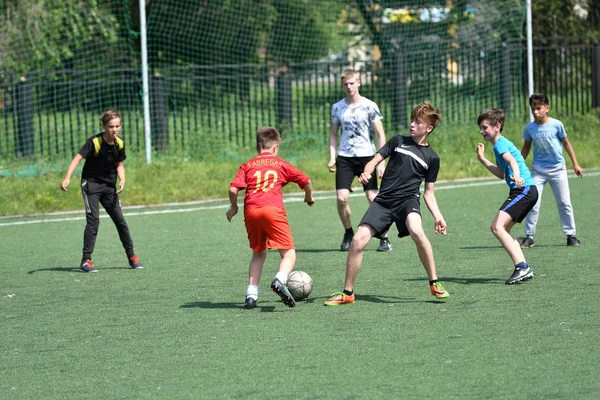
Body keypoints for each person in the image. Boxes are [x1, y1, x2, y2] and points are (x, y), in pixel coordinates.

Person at [324, 101, 450, 306]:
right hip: (383, 201)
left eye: (418, 122)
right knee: (358, 241)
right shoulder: (398, 141)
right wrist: (366, 172)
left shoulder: (432, 158)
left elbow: (429, 193)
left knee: (417, 231)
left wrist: (438, 216)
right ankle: (348, 293)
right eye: (412, 120)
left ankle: (434, 282)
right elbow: (375, 160)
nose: (412, 125)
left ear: (429, 128)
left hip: (408, 201)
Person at [227, 126, 315, 310]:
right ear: (275, 147)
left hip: (251, 211)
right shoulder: (281, 164)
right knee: (289, 253)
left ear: (258, 147)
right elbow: (306, 180)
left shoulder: (247, 165)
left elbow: (233, 189)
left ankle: (251, 295)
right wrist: (308, 197)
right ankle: (280, 279)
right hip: (273, 210)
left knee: (258, 253)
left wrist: (233, 208)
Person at [61, 109, 143, 273]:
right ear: (105, 126)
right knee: (93, 222)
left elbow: (119, 163)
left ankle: (132, 256)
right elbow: (78, 158)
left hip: (108, 187)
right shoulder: (94, 142)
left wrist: (123, 179)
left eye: (117, 126)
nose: (115, 130)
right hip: (91, 185)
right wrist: (68, 177)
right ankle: (86, 260)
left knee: (120, 221)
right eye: (111, 126)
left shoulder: (119, 143)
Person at [328, 69, 391, 252]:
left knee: (372, 197)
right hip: (345, 157)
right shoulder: (337, 107)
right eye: (345, 84)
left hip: (366, 157)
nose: (349, 87)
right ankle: (348, 232)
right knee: (341, 198)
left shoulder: (370, 106)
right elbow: (333, 135)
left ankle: (384, 236)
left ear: (359, 82)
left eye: (352, 83)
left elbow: (380, 134)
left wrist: (381, 163)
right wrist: (332, 157)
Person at [475, 108, 538, 284]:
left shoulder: (500, 144)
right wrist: (482, 159)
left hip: (524, 189)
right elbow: (501, 173)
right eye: (480, 128)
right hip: (524, 190)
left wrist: (517, 176)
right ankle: (523, 266)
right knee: (503, 229)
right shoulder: (498, 146)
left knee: (497, 227)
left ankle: (522, 268)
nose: (481, 131)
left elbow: (511, 161)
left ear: (497, 126)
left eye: (484, 127)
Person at [519, 93, 583, 248]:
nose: (535, 111)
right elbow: (526, 149)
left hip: (558, 170)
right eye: (533, 108)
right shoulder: (529, 128)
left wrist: (575, 164)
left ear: (547, 108)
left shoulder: (556, 125)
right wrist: (519, 168)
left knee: (564, 202)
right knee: (533, 202)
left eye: (539, 108)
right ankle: (529, 236)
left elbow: (567, 144)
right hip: (538, 171)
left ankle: (571, 235)